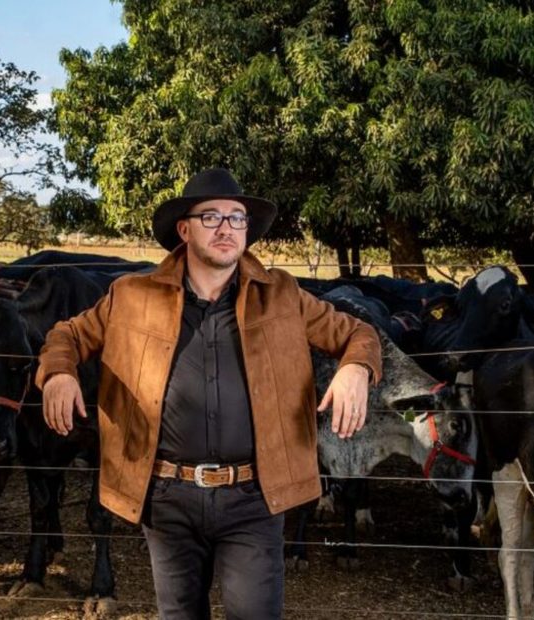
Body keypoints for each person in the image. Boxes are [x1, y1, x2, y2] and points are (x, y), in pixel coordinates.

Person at [36, 168, 382, 619]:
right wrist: (59, 372)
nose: (227, 228)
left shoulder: (282, 295)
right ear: (184, 229)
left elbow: (359, 333)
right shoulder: (131, 295)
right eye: (212, 217)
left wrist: (356, 366)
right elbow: (66, 335)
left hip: (255, 496)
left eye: (237, 218)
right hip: (166, 496)